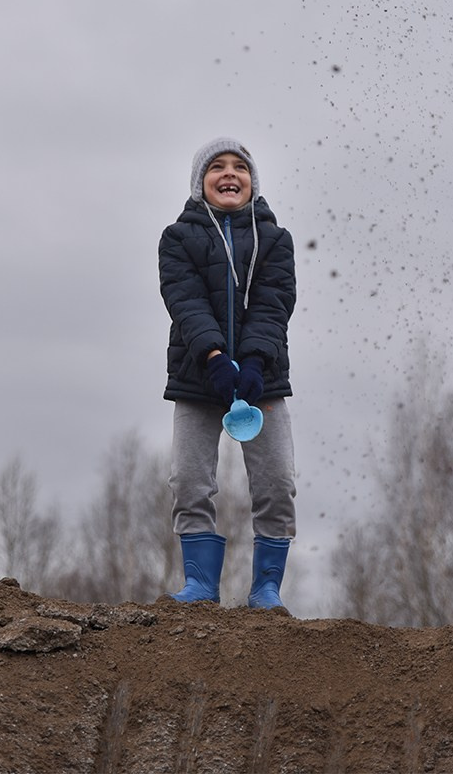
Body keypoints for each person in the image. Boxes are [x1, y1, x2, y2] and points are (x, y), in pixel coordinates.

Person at [158, 137, 297, 610]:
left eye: (240, 166)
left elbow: (275, 303)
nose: (229, 174)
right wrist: (215, 358)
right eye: (217, 167)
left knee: (278, 484)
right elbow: (186, 301)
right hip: (198, 378)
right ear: (201, 183)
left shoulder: (277, 240)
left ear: (253, 182)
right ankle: (200, 586)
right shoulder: (177, 238)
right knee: (190, 481)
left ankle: (266, 589)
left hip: (264, 380)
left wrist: (255, 361)